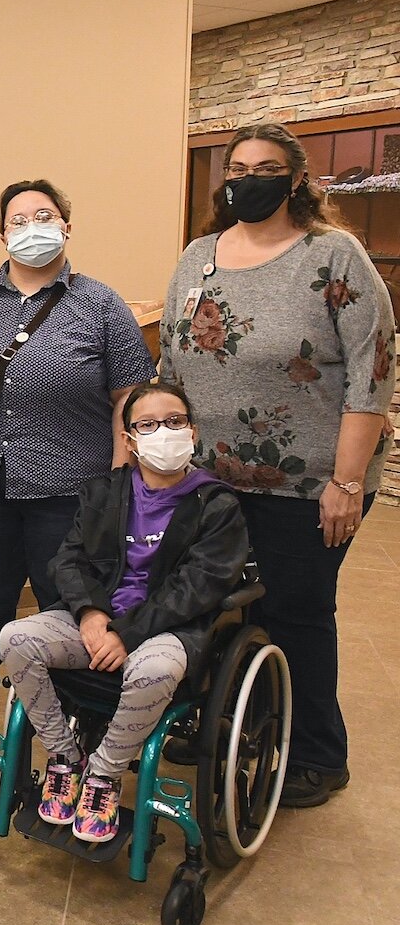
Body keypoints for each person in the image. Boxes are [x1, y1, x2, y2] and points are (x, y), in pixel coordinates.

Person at [162, 122, 396, 808]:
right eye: (237, 167)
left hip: (309, 483)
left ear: (296, 180)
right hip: (207, 477)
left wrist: (346, 484)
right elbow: (172, 362)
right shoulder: (199, 254)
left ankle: (318, 754)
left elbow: (372, 376)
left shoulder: (334, 257)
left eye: (265, 167)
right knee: (207, 603)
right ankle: (219, 719)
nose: (247, 178)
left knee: (295, 612)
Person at [0, 179, 155, 741]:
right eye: (18, 220)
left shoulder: (101, 306)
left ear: (67, 226)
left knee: (65, 600)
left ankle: (74, 704)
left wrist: (124, 480)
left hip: (71, 489)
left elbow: (131, 399)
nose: (31, 228)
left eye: (43, 215)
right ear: (2, 233)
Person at [0, 382, 248, 844]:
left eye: (174, 421)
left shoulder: (217, 505)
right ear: (130, 440)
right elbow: (68, 560)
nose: (164, 432)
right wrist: (92, 614)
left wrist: (126, 634)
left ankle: (103, 776)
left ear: (192, 431)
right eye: (148, 425)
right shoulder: (104, 492)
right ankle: (65, 760)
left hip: (166, 629)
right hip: (98, 621)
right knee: (15, 637)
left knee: (154, 671)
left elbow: (199, 587)